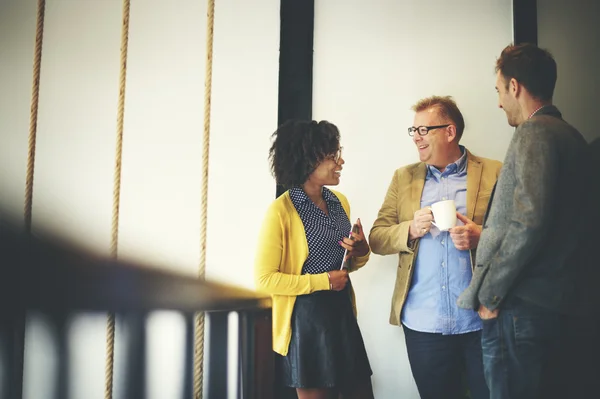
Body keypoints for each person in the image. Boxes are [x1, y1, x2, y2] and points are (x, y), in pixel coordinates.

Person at [457, 43, 589, 399]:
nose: (499, 102)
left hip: (521, 310)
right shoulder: (573, 137)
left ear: (514, 86)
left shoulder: (534, 132)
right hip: (560, 306)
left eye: (500, 91)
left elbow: (530, 220)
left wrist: (491, 293)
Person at [369, 95, 501, 399]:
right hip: (423, 324)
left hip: (481, 320)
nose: (416, 138)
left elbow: (518, 235)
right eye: (413, 131)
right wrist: (409, 230)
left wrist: (479, 235)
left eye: (423, 130)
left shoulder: (495, 171)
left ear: (449, 132)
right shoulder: (403, 178)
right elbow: (377, 236)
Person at [254, 120, 374, 399]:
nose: (340, 161)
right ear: (307, 159)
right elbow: (264, 279)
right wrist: (323, 281)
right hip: (306, 322)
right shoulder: (280, 212)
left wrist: (360, 252)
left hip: (341, 313)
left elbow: (346, 265)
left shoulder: (339, 201)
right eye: (332, 155)